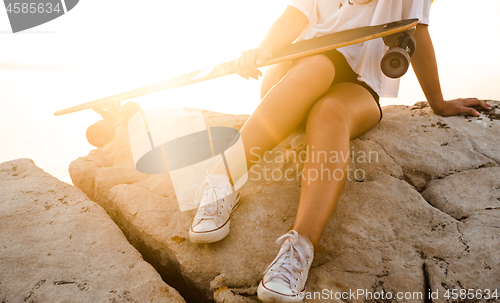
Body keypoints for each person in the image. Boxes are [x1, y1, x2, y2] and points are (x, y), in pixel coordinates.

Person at [188, 0, 492, 301]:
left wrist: (437, 102)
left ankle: (299, 249)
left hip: (358, 83)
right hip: (299, 69)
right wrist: (264, 47)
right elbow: (295, 15)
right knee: (320, 64)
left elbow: (417, 31)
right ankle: (220, 180)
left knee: (330, 113)